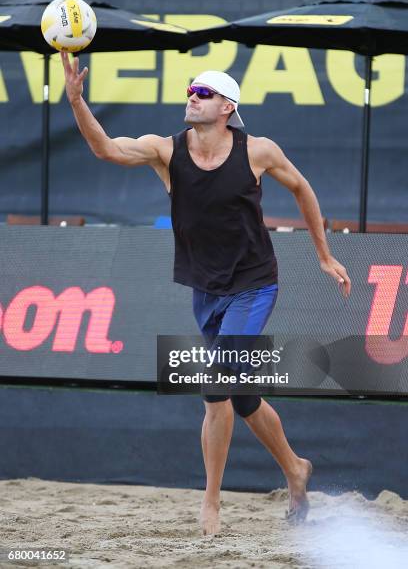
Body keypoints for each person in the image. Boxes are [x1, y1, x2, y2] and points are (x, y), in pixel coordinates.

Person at [61, 52, 351, 536]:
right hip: (206, 288)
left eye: (203, 93)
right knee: (238, 396)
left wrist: (324, 255)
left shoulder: (257, 150)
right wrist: (75, 101)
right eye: (190, 91)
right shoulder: (166, 149)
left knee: (216, 387)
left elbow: (302, 188)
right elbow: (107, 149)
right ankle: (296, 468)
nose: (191, 98)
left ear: (226, 108)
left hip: (254, 284)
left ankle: (211, 503)